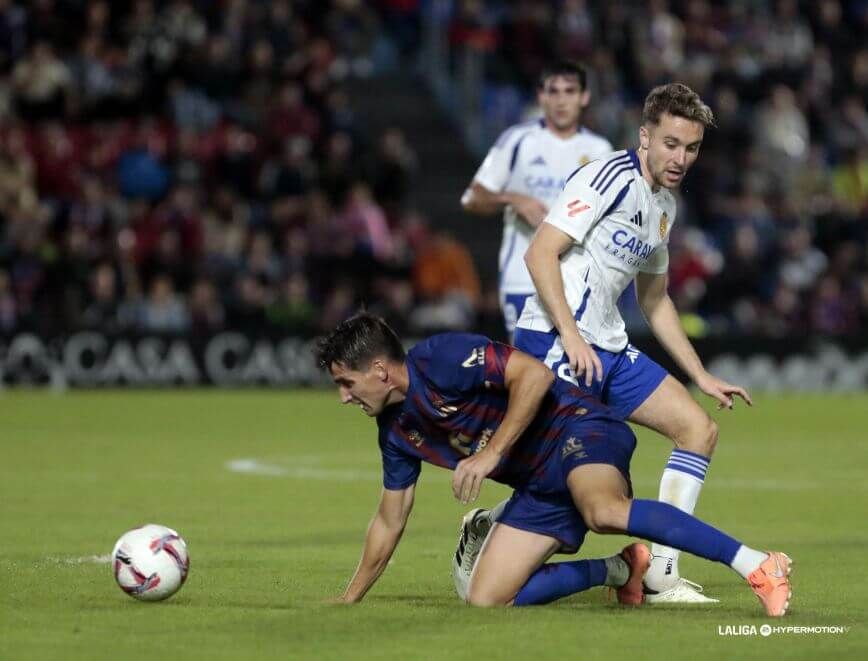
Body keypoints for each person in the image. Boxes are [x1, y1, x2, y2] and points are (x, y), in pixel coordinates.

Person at [455, 83, 753, 604]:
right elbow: (540, 255)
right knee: (574, 485)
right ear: (645, 136)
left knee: (698, 430)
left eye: (691, 148)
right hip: (554, 341)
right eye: (670, 144)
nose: (680, 158)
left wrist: (700, 374)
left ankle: (660, 574)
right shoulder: (607, 177)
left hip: (607, 348)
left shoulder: (665, 204)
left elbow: (655, 299)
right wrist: (571, 336)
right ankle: (493, 526)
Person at [316, 313, 792, 616]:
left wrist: (491, 453)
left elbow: (535, 374)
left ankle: (757, 564)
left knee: (604, 511)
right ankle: (622, 571)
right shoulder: (395, 433)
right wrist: (350, 597)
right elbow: (389, 519)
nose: (343, 398)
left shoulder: (440, 357)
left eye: (346, 382)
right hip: (539, 487)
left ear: (379, 371)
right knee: (486, 599)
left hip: (577, 428)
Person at [461, 62, 612, 340]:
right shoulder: (517, 140)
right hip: (523, 280)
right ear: (541, 97)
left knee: (574, 376)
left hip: (577, 284)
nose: (561, 100)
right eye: (553, 92)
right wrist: (512, 198)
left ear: (584, 97)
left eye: (570, 91)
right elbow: (472, 198)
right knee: (530, 374)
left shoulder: (600, 151)